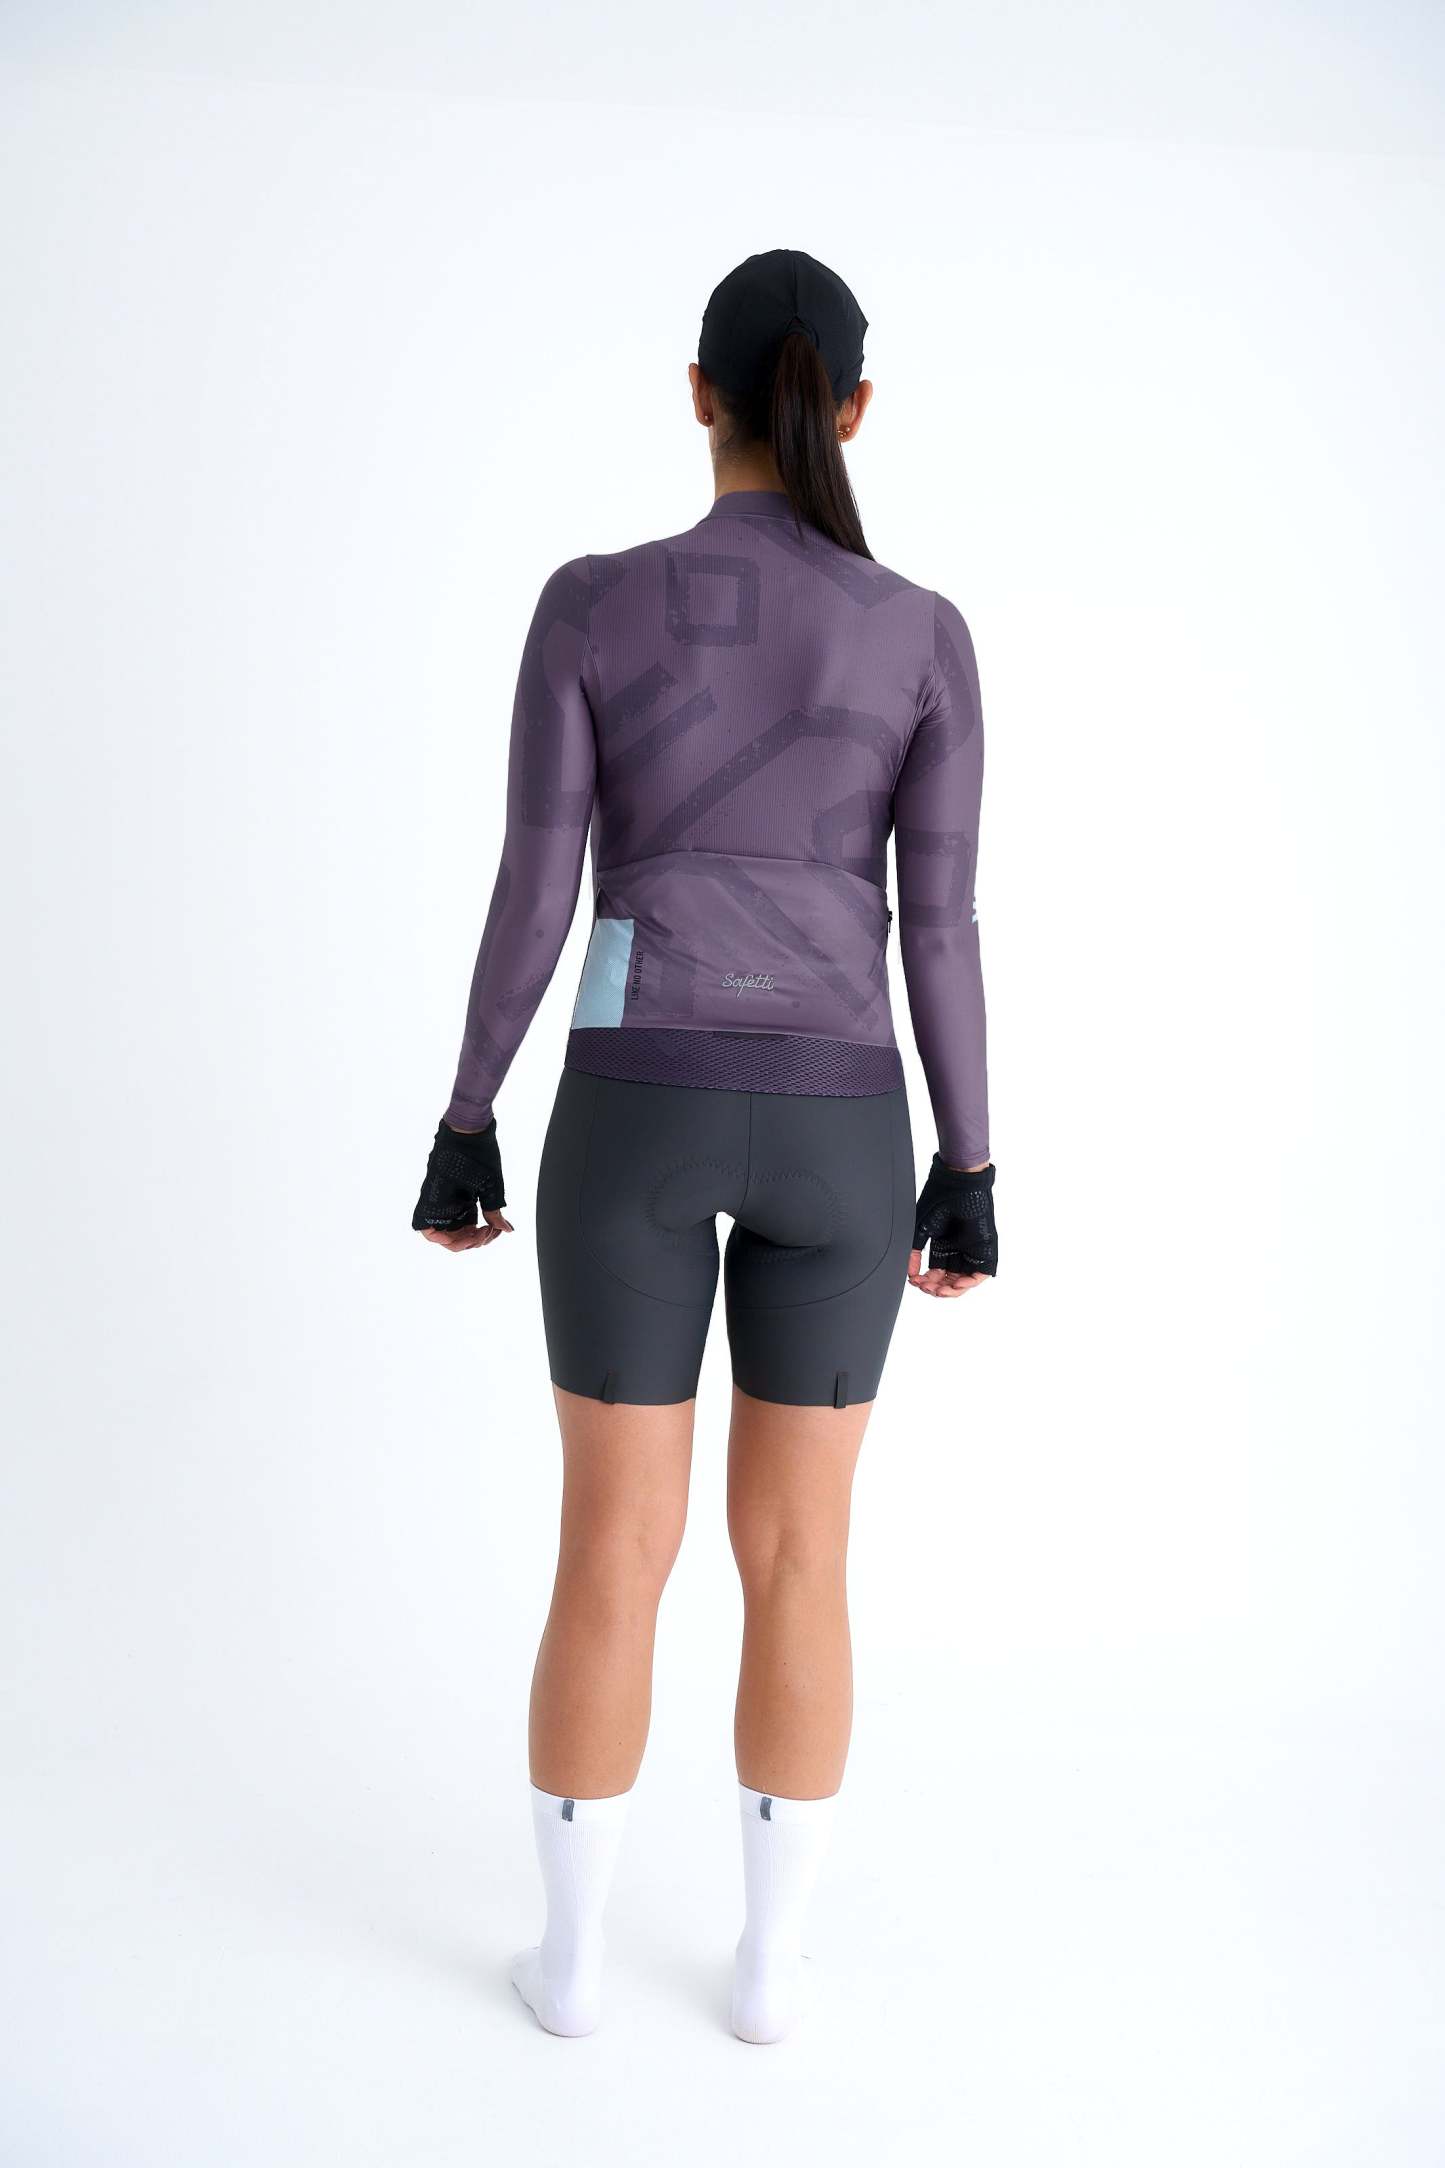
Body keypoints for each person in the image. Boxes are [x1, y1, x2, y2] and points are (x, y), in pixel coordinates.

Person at [412, 248, 998, 2044]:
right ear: (855, 409)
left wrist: (465, 1118)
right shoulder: (920, 634)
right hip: (842, 1129)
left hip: (631, 1114)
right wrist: (969, 1166)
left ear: (696, 394)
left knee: (613, 1544)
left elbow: (535, 886)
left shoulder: (592, 605)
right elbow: (938, 925)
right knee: (800, 1556)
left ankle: (572, 1972)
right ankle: (765, 1974)